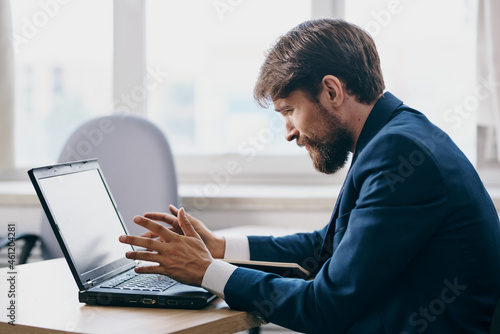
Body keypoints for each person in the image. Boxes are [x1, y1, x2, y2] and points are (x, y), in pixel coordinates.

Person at [118, 18, 500, 333]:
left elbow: (325, 308)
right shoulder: (398, 135)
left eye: (289, 111)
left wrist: (206, 271)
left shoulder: (399, 153)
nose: (288, 131)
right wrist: (221, 248)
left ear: (332, 91)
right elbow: (328, 245)